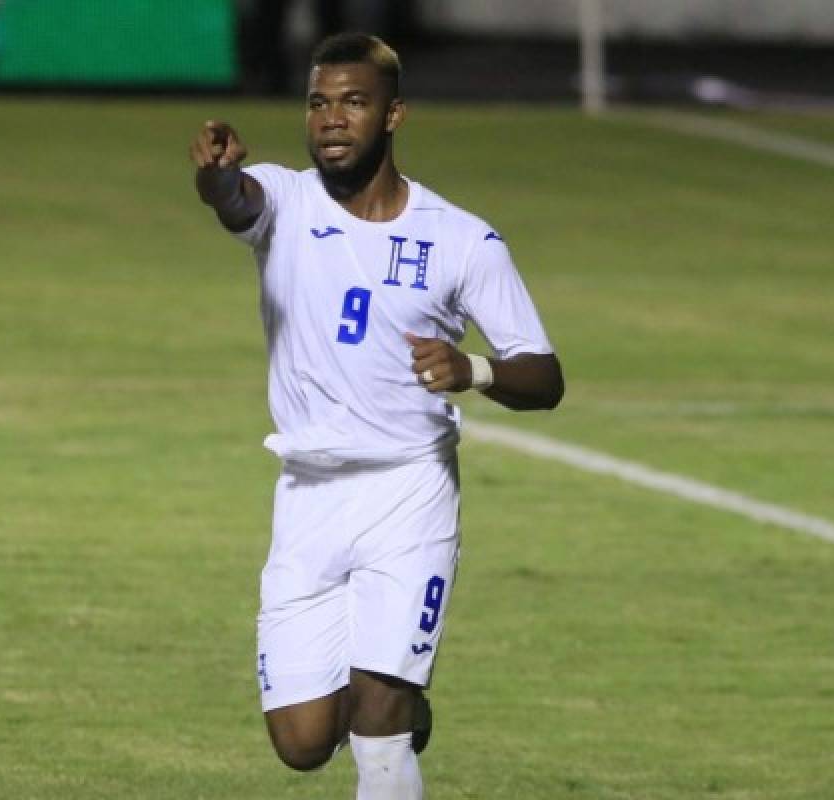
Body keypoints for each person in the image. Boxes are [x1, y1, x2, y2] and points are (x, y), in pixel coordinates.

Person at [189, 32, 564, 799]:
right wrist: (217, 179)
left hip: (408, 492)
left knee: (377, 728)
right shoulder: (284, 199)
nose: (331, 120)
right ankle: (401, 697)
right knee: (301, 743)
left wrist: (475, 369)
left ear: (393, 114)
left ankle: (394, 701)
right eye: (319, 103)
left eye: (352, 103)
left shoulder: (461, 240)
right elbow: (236, 203)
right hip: (309, 494)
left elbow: (546, 375)